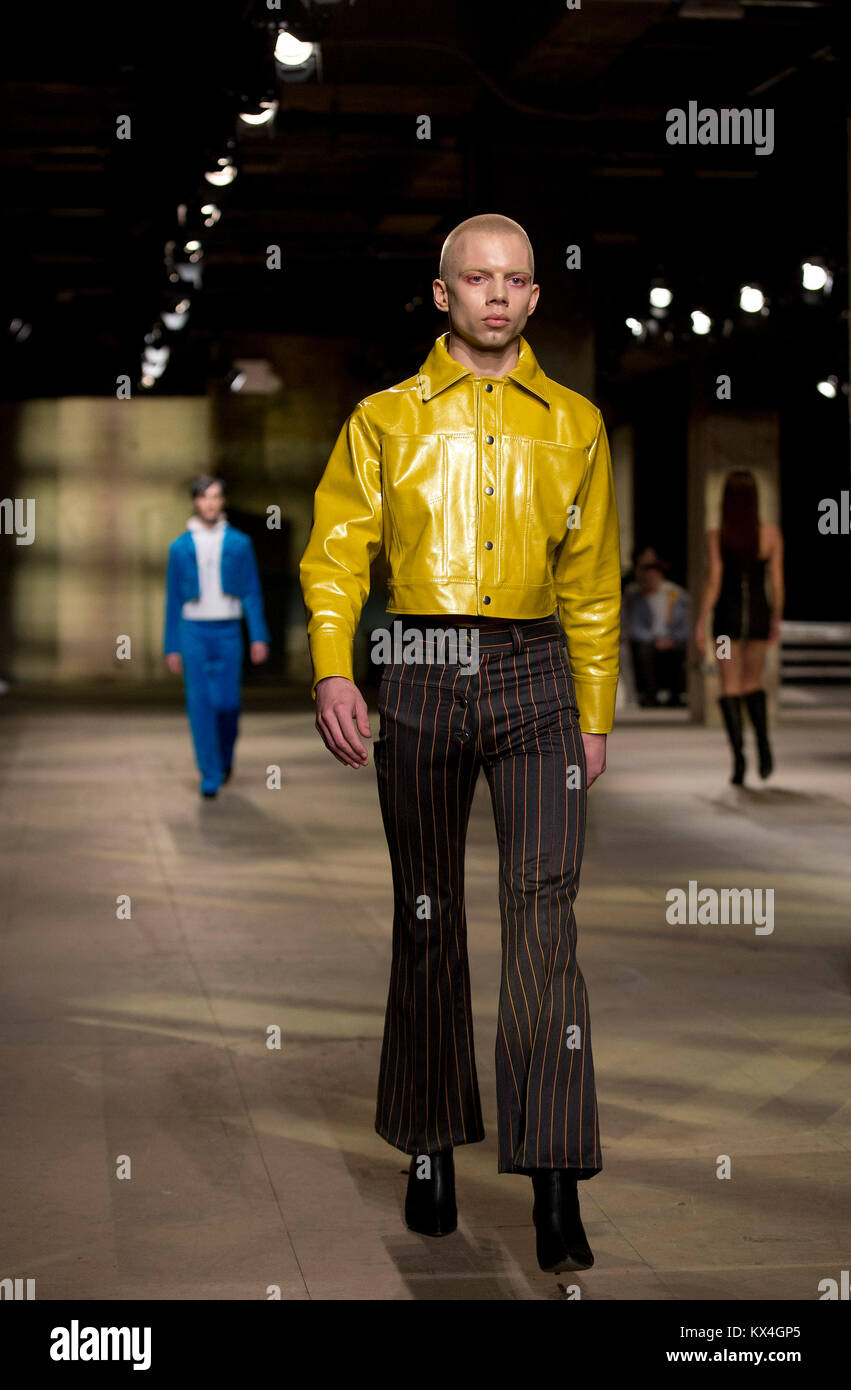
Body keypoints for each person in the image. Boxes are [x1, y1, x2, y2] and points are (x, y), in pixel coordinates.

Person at [298, 213, 621, 1275]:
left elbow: (589, 581)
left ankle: (554, 1173)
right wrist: (336, 665)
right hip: (422, 667)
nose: (495, 294)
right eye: (475, 278)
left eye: (515, 279)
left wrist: (594, 708)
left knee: (545, 923)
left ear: (534, 297)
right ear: (441, 295)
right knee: (426, 914)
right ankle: (430, 1144)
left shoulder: (574, 422)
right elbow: (338, 553)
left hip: (533, 673)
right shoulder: (382, 420)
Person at [164, 476, 269, 798]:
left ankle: (224, 759)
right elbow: (172, 599)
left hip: (227, 629)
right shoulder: (179, 547)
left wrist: (258, 636)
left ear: (222, 501)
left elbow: (252, 591)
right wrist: (171, 646)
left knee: (227, 703)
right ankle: (209, 773)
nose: (210, 503)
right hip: (193, 630)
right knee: (200, 704)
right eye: (204, 497)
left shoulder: (240, 543)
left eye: (216, 496)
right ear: (195, 501)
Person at [695, 469, 784, 784]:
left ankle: (739, 760)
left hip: (725, 623)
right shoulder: (771, 535)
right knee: (752, 682)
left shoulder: (716, 535)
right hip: (758, 617)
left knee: (729, 686)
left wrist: (701, 621)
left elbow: (714, 582)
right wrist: (776, 618)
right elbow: (777, 583)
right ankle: (763, 746)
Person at [623, 554, 689, 706]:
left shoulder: (676, 595)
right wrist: (655, 640)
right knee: (643, 652)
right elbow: (634, 626)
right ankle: (649, 694)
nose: (650, 581)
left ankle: (677, 694)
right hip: (649, 641)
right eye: (647, 578)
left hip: (673, 639)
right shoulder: (636, 597)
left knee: (681, 652)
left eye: (654, 577)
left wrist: (671, 639)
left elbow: (685, 622)